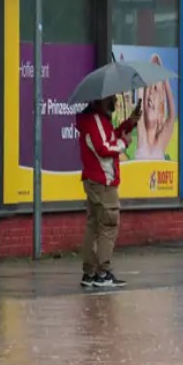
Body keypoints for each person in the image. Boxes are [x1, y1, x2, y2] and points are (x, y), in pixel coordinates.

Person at [77, 95, 141, 288]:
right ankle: (102, 273)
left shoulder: (97, 119)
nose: (114, 100)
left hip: (96, 180)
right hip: (103, 181)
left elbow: (111, 136)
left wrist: (130, 123)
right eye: (111, 97)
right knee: (108, 225)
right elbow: (104, 147)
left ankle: (89, 273)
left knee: (94, 225)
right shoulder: (95, 120)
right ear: (101, 99)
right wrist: (124, 143)